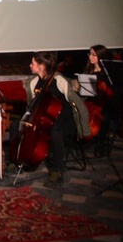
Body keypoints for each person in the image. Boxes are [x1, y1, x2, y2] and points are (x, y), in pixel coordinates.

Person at [20, 52, 90, 188]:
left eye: (33, 63)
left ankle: (57, 172)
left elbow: (78, 103)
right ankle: (21, 160)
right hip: (45, 118)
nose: (30, 65)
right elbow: (32, 106)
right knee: (18, 126)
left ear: (41, 66)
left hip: (65, 118)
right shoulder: (34, 82)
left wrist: (85, 129)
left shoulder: (59, 80)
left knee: (55, 131)